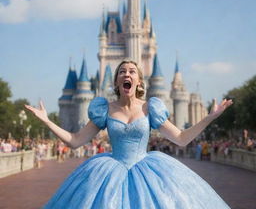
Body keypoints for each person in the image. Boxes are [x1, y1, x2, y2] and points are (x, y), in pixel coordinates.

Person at [25, 59, 233, 209]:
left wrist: (209, 117)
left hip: (148, 172)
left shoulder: (151, 108)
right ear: (116, 82)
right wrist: (47, 120)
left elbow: (181, 138)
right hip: (108, 174)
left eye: (132, 71)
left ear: (139, 82)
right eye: (122, 71)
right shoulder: (104, 109)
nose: (127, 74)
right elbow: (76, 141)